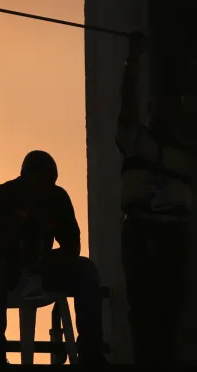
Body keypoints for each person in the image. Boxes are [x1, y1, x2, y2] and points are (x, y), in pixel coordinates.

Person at [0, 151, 106, 365]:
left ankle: (91, 355)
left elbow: (72, 247)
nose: (42, 190)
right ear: (24, 177)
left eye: (48, 184)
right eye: (37, 183)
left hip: (42, 267)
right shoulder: (0, 196)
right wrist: (19, 225)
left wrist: (42, 261)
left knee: (86, 270)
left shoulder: (57, 198)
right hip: (5, 266)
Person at [117, 31, 195, 367]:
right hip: (142, 228)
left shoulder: (186, 153)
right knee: (144, 303)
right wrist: (132, 63)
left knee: (174, 304)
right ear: (151, 111)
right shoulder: (136, 140)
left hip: (175, 232)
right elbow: (127, 109)